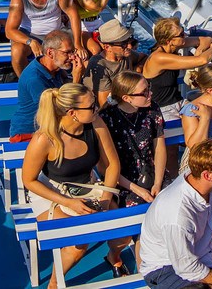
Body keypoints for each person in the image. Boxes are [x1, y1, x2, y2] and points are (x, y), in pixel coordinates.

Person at [21, 83, 132, 282]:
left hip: (89, 187)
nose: (96, 108)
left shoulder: (95, 123)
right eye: (91, 106)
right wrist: (68, 202)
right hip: (52, 192)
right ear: (72, 112)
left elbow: (113, 163)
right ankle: (55, 283)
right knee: (79, 244)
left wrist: (106, 199)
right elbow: (29, 181)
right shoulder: (44, 139)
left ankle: (113, 256)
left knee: (123, 233)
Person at [137, 138, 212, 289]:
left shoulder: (200, 177)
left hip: (207, 249)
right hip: (167, 268)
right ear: (208, 175)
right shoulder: (178, 214)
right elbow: (186, 268)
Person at [142, 18, 212, 170]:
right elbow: (203, 59)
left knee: (206, 129)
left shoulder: (176, 44)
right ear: (169, 41)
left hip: (178, 102)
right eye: (180, 34)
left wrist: (201, 48)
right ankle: (171, 181)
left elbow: (206, 39)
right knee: (171, 152)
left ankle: (194, 169)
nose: (184, 35)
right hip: (161, 109)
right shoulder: (159, 58)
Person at [102, 70, 167, 203]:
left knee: (169, 199)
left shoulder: (152, 109)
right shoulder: (107, 118)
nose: (150, 94)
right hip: (123, 178)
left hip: (153, 171)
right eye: (144, 92)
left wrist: (158, 183)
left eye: (149, 88)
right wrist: (138, 190)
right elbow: (105, 166)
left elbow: (159, 147)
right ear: (126, 98)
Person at [5, 0, 82, 75]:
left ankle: (70, 79)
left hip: (57, 33)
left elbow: (73, 13)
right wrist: (30, 41)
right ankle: (26, 82)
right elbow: (9, 30)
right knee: (17, 51)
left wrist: (78, 44)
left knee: (84, 47)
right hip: (30, 34)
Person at [8, 30, 84, 139]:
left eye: (73, 51)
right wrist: (76, 79)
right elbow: (58, 111)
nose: (72, 57)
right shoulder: (34, 78)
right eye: (67, 52)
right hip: (28, 134)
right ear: (50, 53)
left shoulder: (56, 68)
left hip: (48, 129)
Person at [86, 20, 138, 106]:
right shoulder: (99, 66)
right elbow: (105, 105)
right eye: (123, 44)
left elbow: (143, 57)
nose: (129, 46)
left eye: (129, 41)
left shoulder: (125, 54)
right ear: (107, 47)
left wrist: (137, 69)